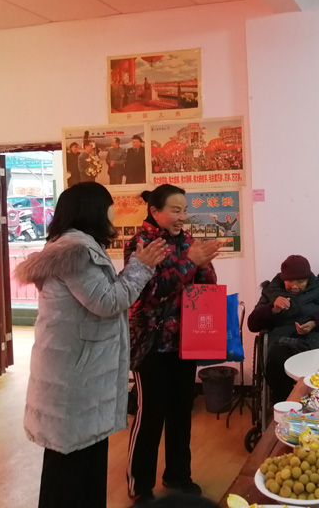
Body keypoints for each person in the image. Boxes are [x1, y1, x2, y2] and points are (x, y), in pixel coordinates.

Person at [13, 182, 167, 508]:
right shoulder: (76, 252)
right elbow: (108, 302)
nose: (114, 212)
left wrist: (139, 267)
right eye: (109, 205)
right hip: (76, 377)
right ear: (93, 210)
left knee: (81, 462)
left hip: (77, 373)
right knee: (72, 469)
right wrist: (141, 267)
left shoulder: (75, 246)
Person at [124, 185, 221, 505]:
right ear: (155, 211)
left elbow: (206, 288)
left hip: (185, 341)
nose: (182, 217)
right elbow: (150, 292)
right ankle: (140, 486)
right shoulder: (141, 244)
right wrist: (190, 262)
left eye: (184, 211)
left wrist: (203, 264)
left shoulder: (188, 241)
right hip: (151, 344)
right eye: (175, 210)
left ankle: (178, 476)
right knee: (150, 414)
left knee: (181, 411)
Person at [247, 255, 319, 404]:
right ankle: (287, 403)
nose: (294, 286)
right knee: (275, 362)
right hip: (284, 342)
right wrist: (272, 309)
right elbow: (252, 324)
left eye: (300, 281)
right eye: (289, 281)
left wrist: (315, 322)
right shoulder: (272, 291)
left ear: (308, 278)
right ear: (283, 278)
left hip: (318, 339)